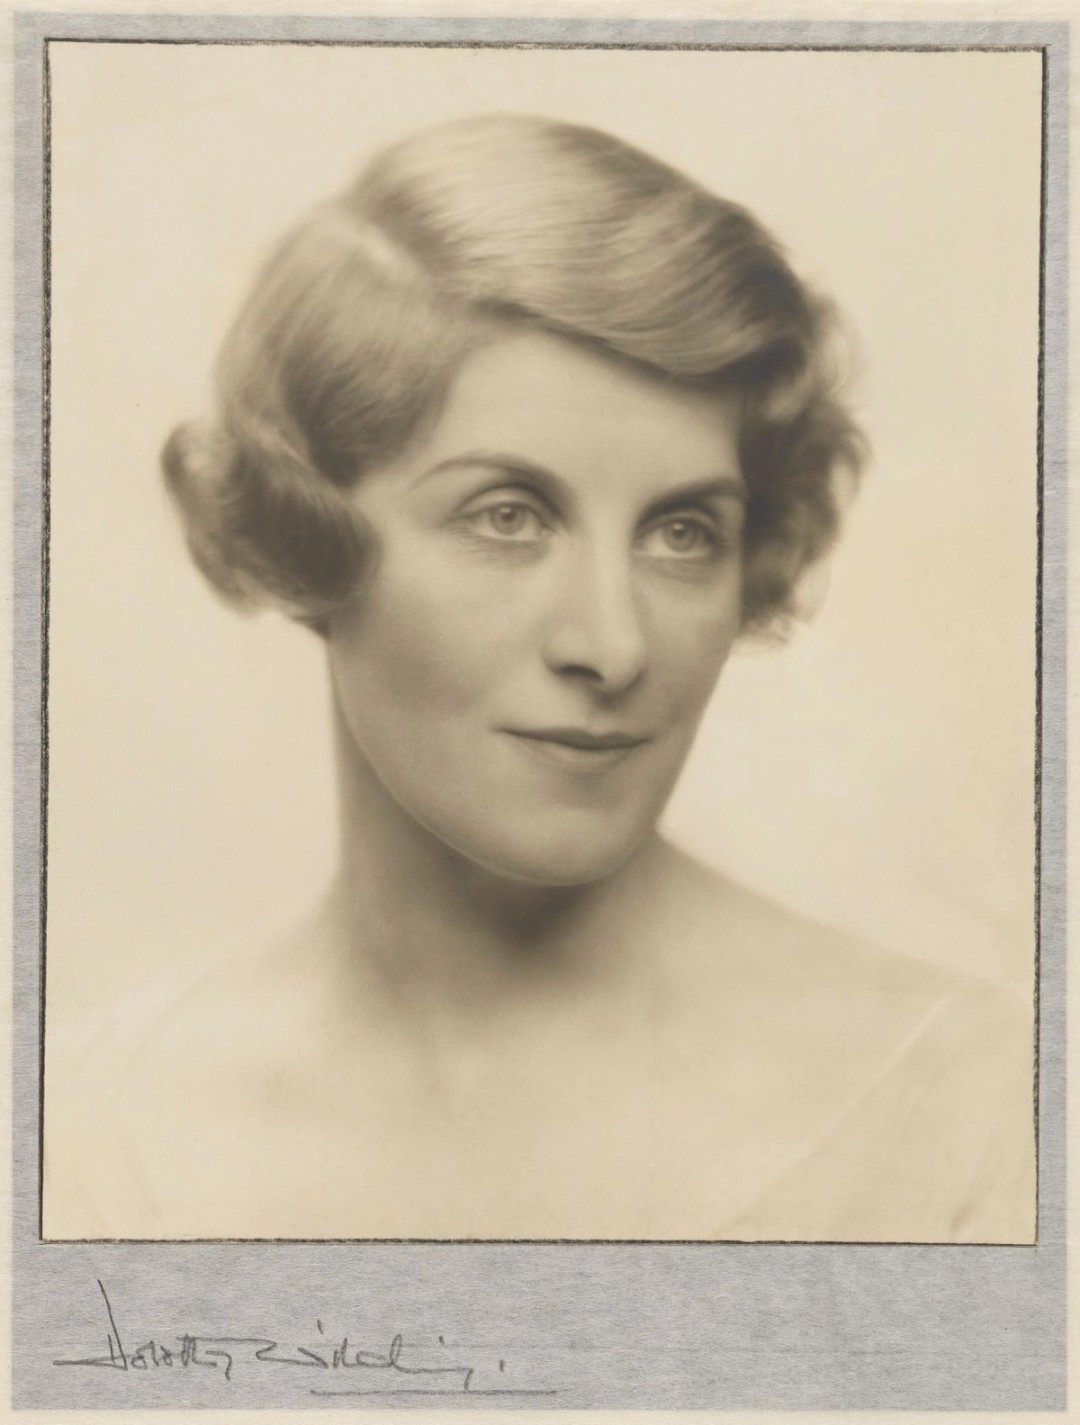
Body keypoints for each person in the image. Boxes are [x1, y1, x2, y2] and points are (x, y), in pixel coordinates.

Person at [44, 113, 1034, 1243]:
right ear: (302, 533)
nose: (613, 646)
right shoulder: (94, 1143)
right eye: (507, 516)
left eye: (682, 533)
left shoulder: (971, 1109)